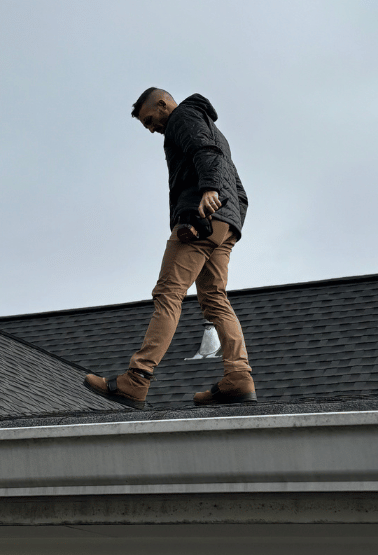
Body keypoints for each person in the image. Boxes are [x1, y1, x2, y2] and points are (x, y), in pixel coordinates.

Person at [84, 88, 255, 409]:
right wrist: (230, 224)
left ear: (163, 105)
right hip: (225, 223)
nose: (151, 129)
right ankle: (238, 377)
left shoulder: (184, 117)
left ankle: (136, 379)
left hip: (201, 218)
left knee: (168, 294)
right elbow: (239, 188)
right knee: (216, 300)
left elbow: (207, 154)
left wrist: (208, 193)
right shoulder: (211, 126)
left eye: (150, 120)